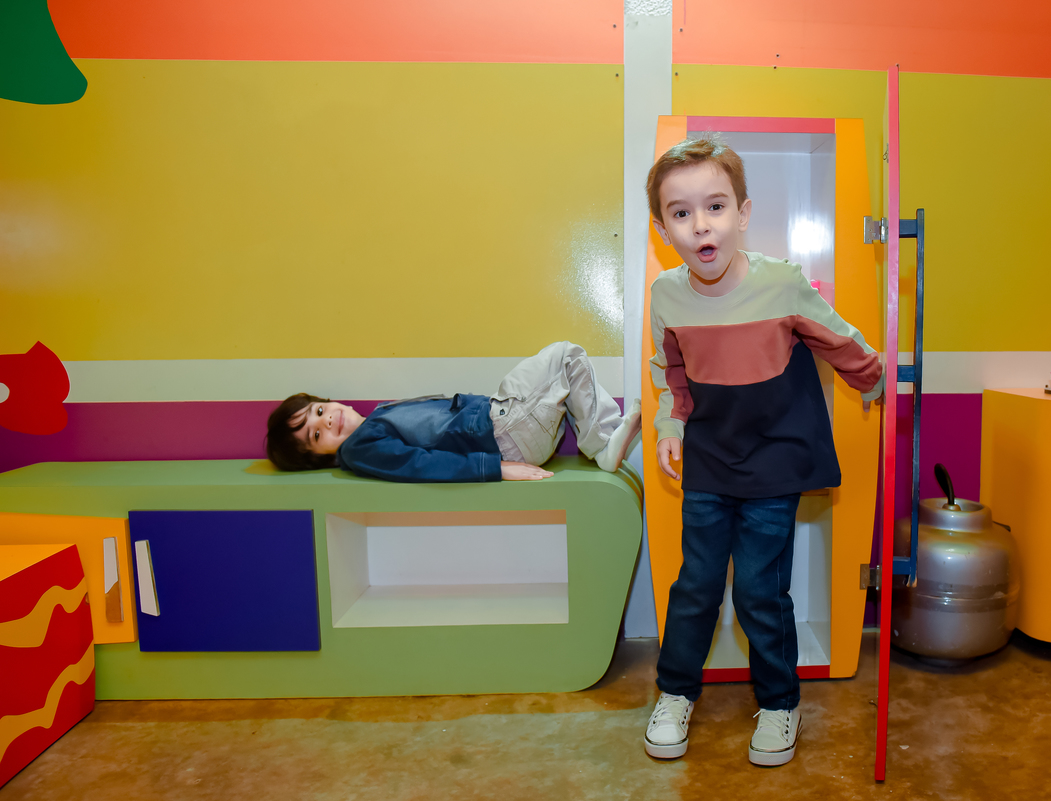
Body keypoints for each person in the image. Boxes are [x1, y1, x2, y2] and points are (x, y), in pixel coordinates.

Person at [642, 138, 884, 766]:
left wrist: (873, 377)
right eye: (681, 213)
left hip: (774, 458)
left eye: (715, 206)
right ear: (663, 229)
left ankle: (779, 702)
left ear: (743, 213)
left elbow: (837, 336)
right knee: (696, 586)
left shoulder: (782, 281)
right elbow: (671, 373)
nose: (701, 225)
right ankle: (675, 693)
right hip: (709, 458)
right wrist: (670, 427)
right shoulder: (666, 295)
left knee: (758, 589)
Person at [265, 341, 641, 482]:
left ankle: (602, 442)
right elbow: (419, 465)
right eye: (316, 434)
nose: (327, 420)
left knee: (566, 365)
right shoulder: (359, 448)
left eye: (318, 411)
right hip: (502, 432)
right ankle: (601, 446)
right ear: (321, 457)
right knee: (566, 355)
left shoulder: (374, 422)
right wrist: (495, 468)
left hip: (504, 425)